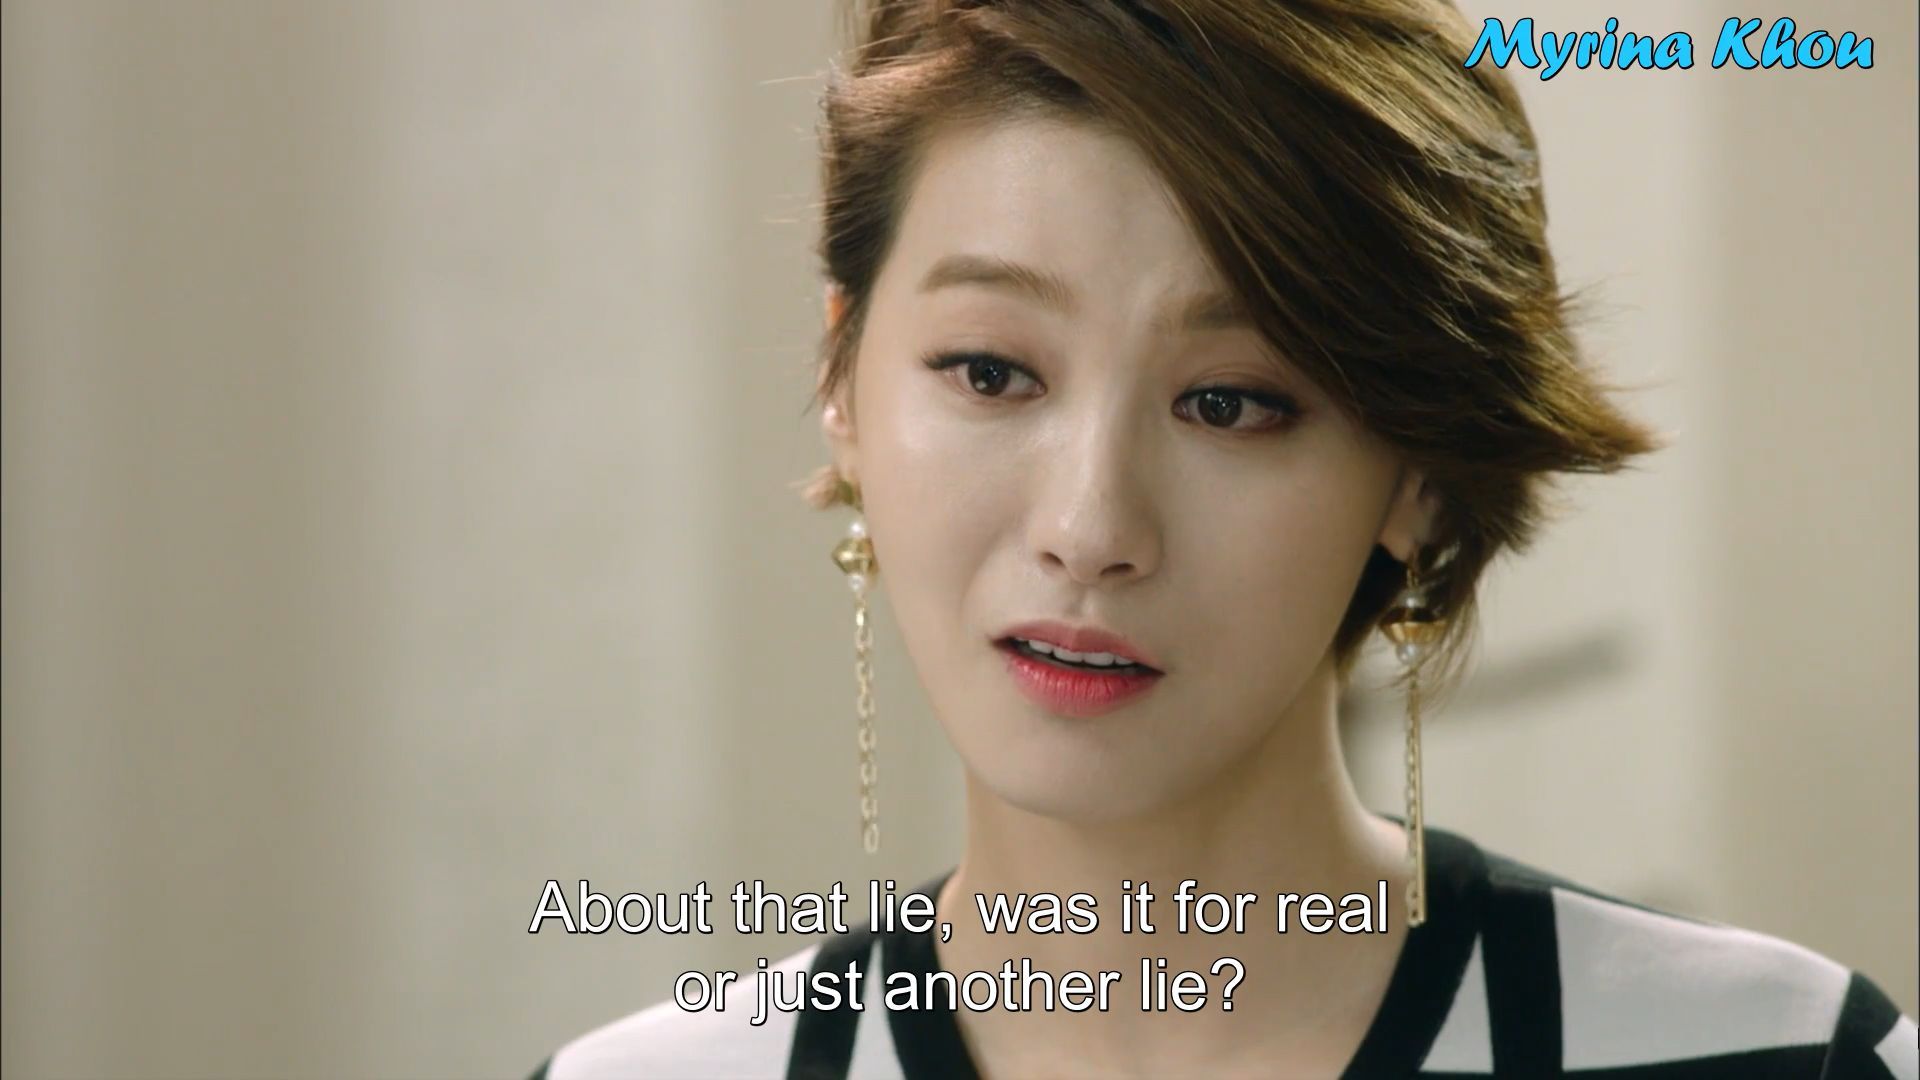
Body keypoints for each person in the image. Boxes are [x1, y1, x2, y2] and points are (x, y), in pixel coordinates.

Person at [528, 1, 1916, 1076]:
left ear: (1418, 475)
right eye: (991, 372)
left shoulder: (1785, 1059)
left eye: (1231, 402)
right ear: (842, 380)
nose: (1090, 528)